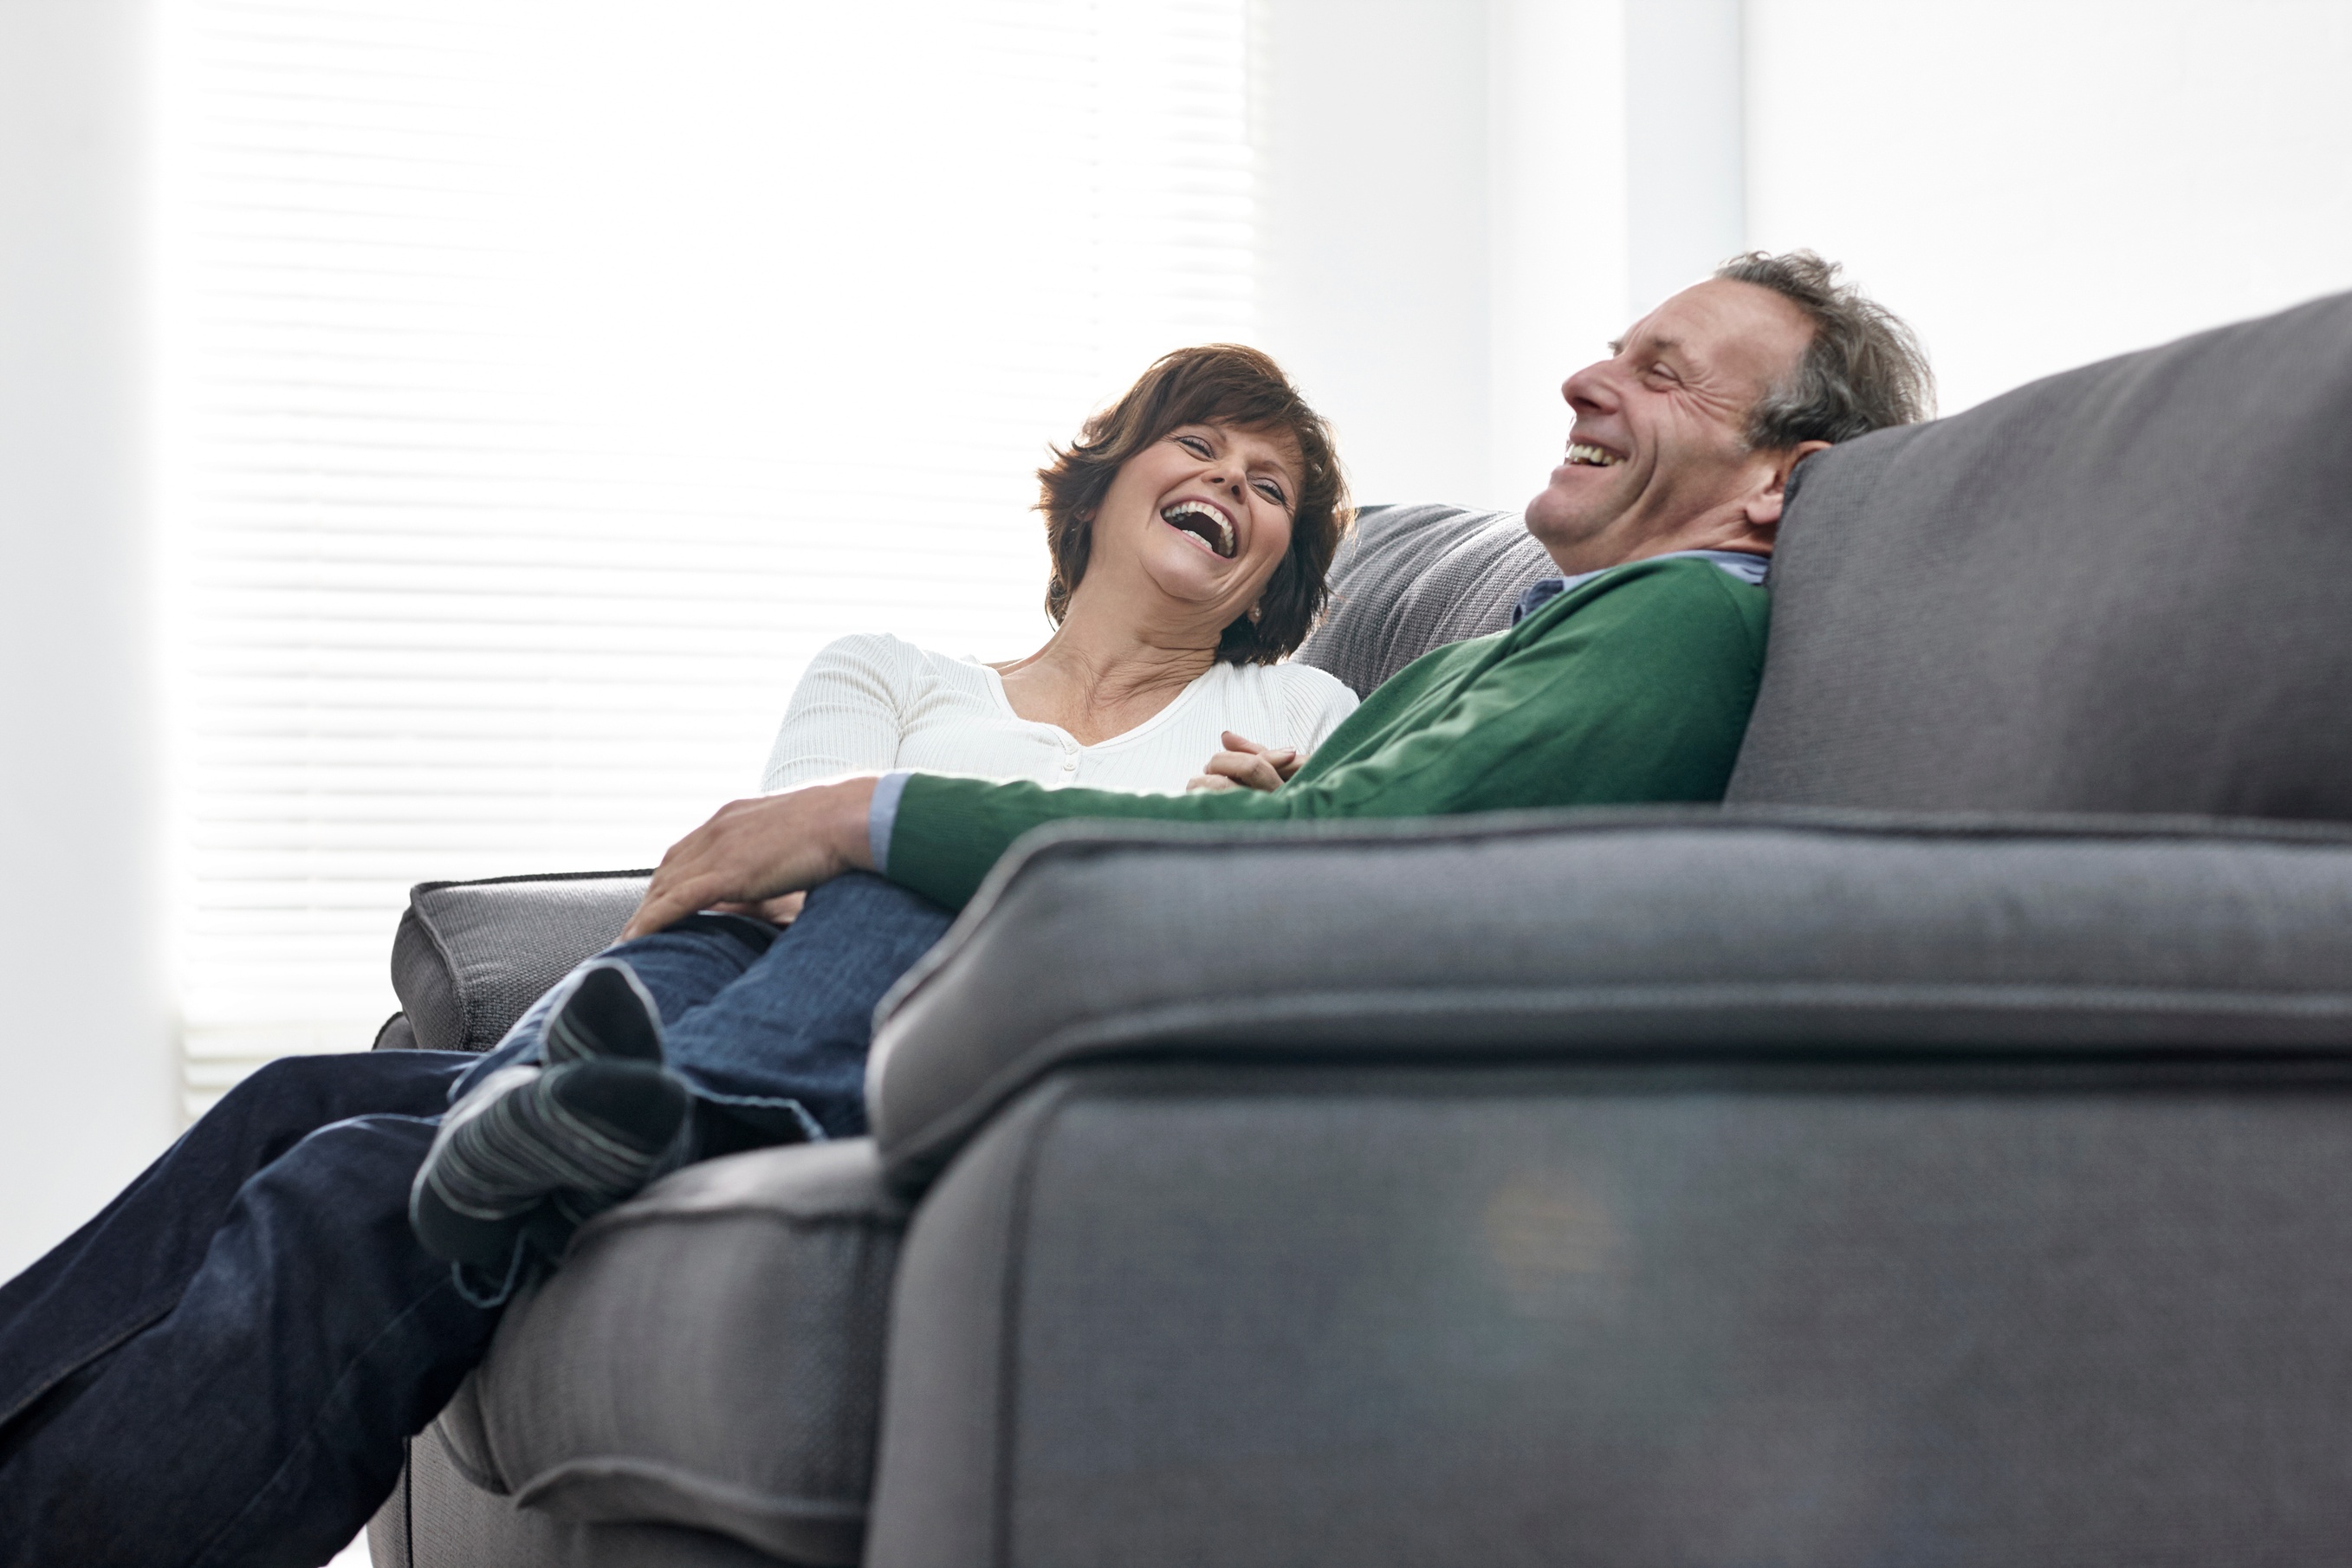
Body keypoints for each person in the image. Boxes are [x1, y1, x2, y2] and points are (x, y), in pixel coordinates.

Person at [0, 251, 1933, 1567]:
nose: (1592, 376)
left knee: (388, 1163)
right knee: (303, 1133)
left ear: (1780, 484)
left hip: (1127, 1018)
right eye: (1619, 344)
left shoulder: (1676, 618)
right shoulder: (1545, 628)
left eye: (1666, 373)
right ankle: (631, 1105)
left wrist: (889, 812)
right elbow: (1360, 821)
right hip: (995, 974)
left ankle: (668, 1110)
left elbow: (1328, 863)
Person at [0, 343, 1355, 1566]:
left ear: (1274, 573)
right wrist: (1135, 825)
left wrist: (980, 840)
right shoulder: (888, 669)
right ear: (1104, 487)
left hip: (947, 1022)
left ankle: (622, 1115)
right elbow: (779, 875)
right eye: (1200, 447)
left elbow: (1257, 890)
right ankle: (600, 1112)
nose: (1231, 482)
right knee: (308, 1107)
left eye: (1270, 485)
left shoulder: (1300, 708)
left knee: (375, 1162)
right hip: (740, 975)